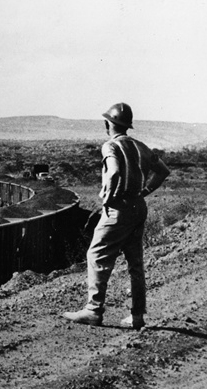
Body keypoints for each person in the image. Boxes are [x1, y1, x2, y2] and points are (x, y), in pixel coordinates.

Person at [63, 103, 170, 330]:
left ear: (108, 124)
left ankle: (93, 310)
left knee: (96, 255)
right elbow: (163, 171)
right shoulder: (140, 146)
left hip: (118, 208)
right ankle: (137, 315)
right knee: (135, 263)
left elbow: (113, 172)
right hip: (138, 207)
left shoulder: (110, 146)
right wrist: (145, 191)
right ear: (127, 125)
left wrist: (107, 197)